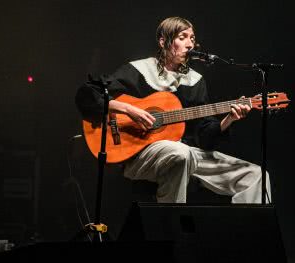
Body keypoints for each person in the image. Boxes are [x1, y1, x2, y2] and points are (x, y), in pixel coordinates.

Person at [74, 16, 271, 204]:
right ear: (163, 42)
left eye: (192, 38)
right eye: (182, 37)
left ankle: (247, 236)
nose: (190, 44)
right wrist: (127, 109)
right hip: (140, 155)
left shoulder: (195, 81)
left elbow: (204, 135)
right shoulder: (139, 70)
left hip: (185, 153)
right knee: (180, 154)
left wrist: (229, 119)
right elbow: (88, 94)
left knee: (256, 176)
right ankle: (170, 231)